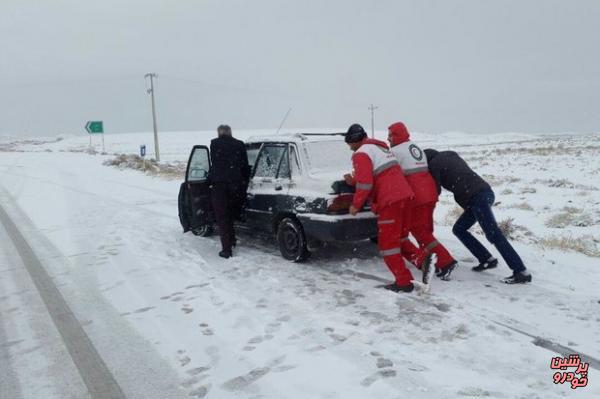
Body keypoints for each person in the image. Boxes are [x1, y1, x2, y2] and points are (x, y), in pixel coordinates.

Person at [424, 149, 532, 284]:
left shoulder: (434, 164)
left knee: (493, 234)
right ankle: (486, 259)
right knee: (459, 229)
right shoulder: (451, 155)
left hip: (476, 198)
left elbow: (436, 190)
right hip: (485, 192)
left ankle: (520, 271)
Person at [344, 123, 429, 293]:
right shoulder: (378, 148)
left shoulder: (361, 154)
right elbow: (379, 174)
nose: (349, 148)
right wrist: (353, 181)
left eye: (349, 144)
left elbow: (366, 184)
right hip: (405, 196)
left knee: (388, 245)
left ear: (354, 141)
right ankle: (424, 260)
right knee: (400, 239)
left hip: (390, 200)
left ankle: (403, 282)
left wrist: (355, 205)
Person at [387, 122, 458, 280]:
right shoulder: (414, 147)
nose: (388, 138)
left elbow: (390, 173)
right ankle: (433, 262)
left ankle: (446, 262)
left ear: (397, 135)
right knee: (425, 230)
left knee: (420, 231)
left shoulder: (396, 151)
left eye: (391, 135)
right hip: (429, 192)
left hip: (417, 196)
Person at [208, 125, 251, 259]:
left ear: (219, 133)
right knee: (231, 214)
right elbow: (245, 166)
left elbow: (214, 163)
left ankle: (227, 249)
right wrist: (244, 182)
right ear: (230, 132)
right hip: (236, 186)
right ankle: (232, 240)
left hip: (220, 186)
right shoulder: (239, 144)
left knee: (222, 218)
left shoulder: (214, 144)